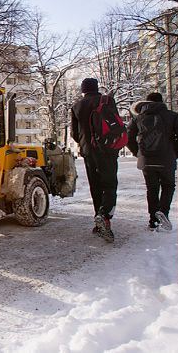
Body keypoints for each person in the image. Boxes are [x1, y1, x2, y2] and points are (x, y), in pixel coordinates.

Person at [126, 92, 178, 231]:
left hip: (146, 160)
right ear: (161, 102)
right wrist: (176, 153)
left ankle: (153, 220)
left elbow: (128, 137)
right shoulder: (173, 116)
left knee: (152, 188)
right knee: (168, 186)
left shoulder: (138, 118)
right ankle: (163, 212)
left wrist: (138, 152)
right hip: (166, 159)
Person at [71, 78, 119, 242]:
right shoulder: (107, 100)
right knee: (110, 184)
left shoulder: (77, 106)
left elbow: (74, 134)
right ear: (96, 88)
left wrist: (86, 142)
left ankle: (99, 222)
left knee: (96, 186)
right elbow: (116, 124)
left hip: (89, 151)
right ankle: (104, 215)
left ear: (83, 90)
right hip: (107, 149)